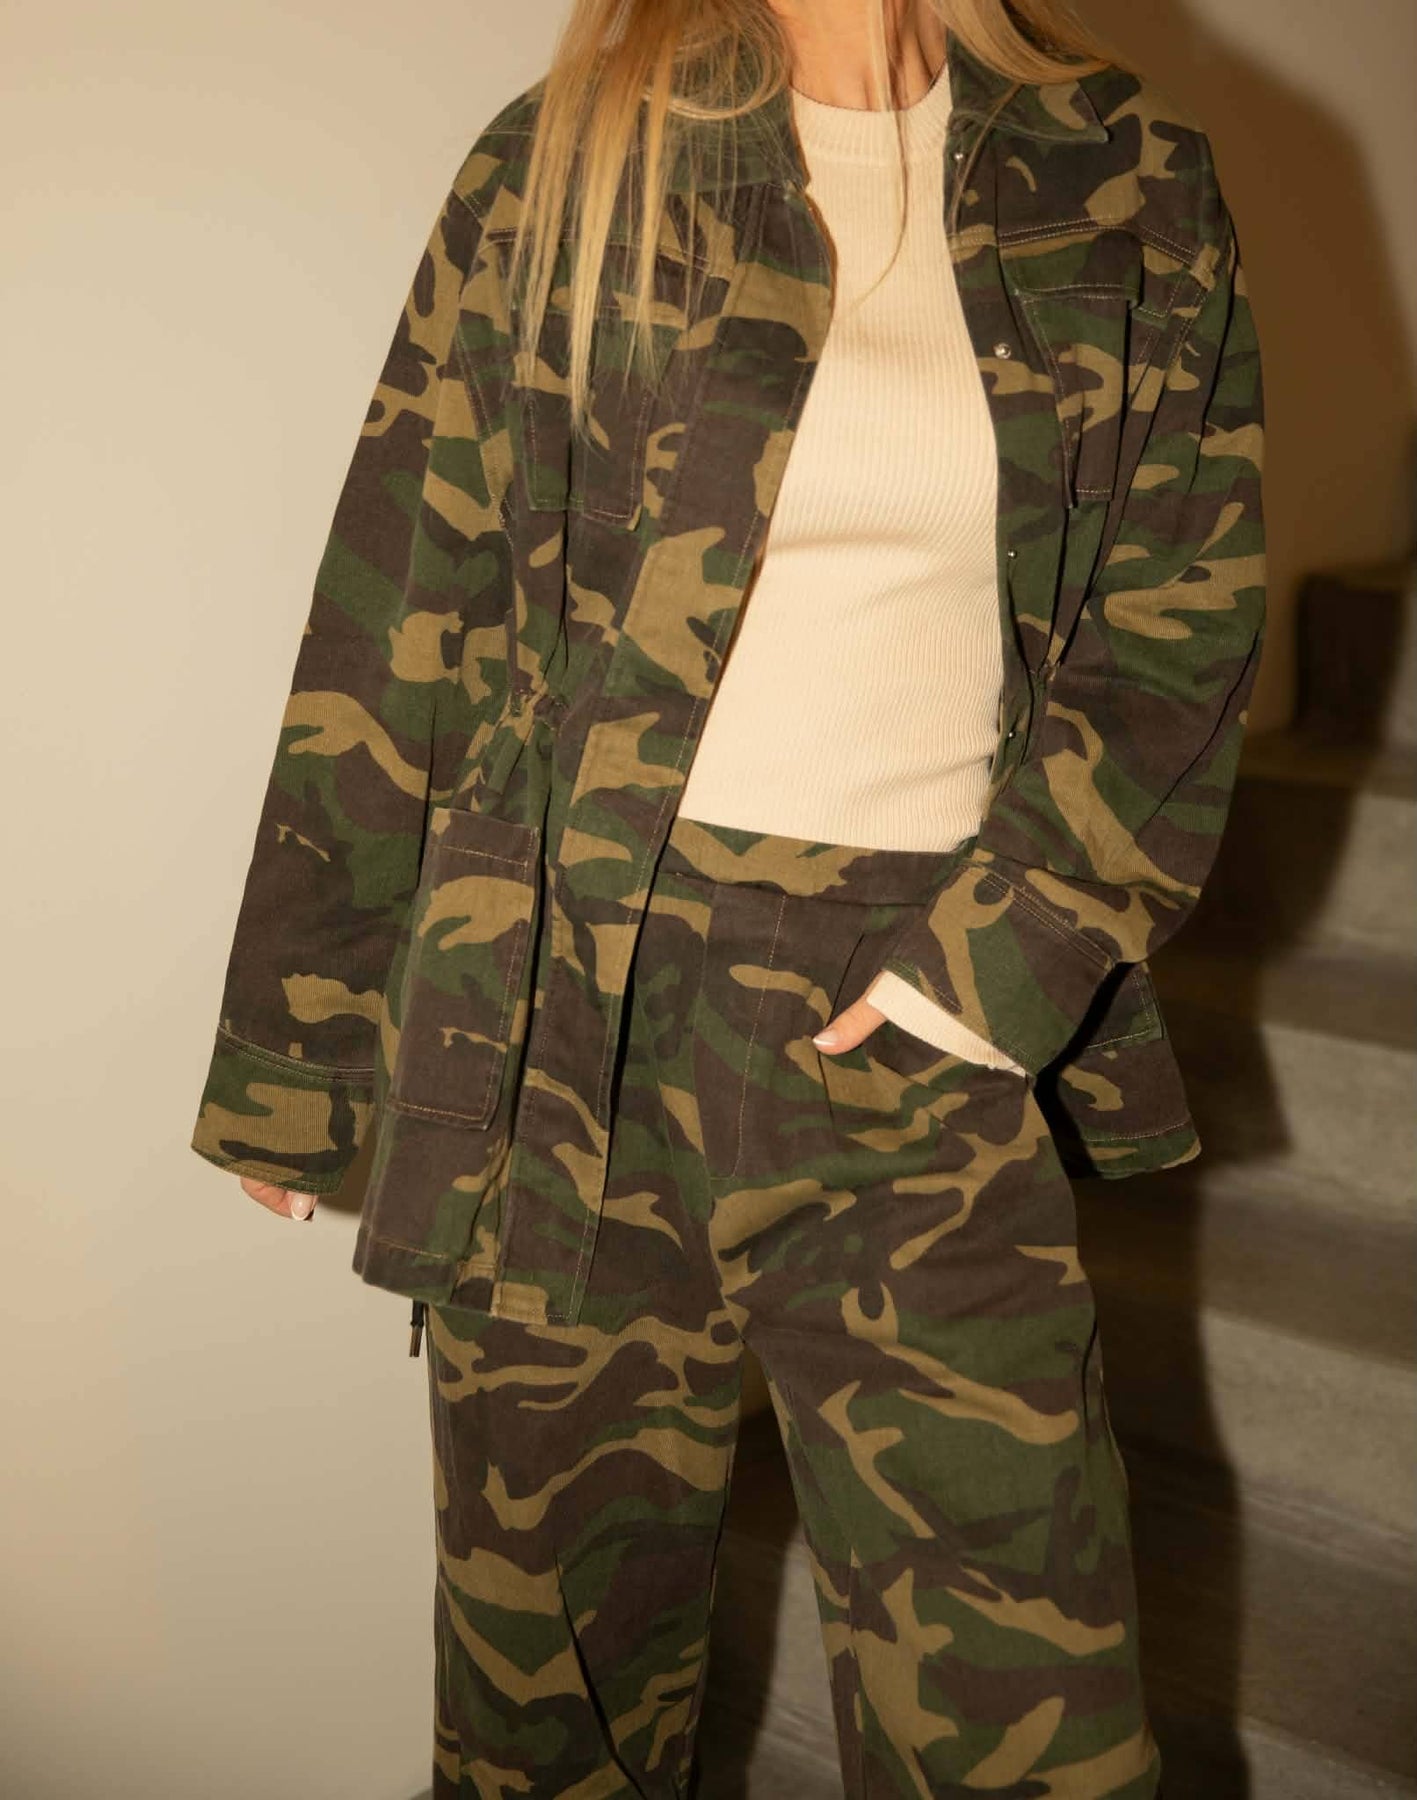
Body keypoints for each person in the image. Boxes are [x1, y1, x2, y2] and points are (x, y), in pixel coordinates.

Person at [190, 0, 1265, 1792]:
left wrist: (987, 977)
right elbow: (405, 598)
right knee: (550, 1725)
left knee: (1034, 1734)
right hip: (563, 1021)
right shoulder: (567, 161)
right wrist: (292, 1054)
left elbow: (1177, 633)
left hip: (918, 1015)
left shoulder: (1130, 177)